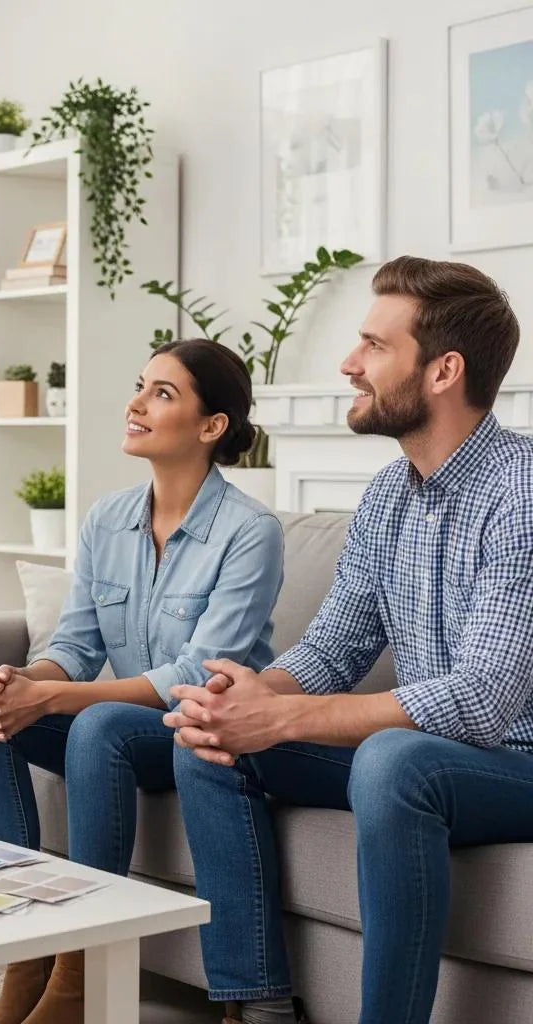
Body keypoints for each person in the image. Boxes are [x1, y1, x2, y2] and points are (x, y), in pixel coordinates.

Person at [165, 256, 533, 1024]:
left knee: (396, 758)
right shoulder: (389, 495)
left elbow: (484, 700)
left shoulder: (521, 490)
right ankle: (260, 1006)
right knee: (208, 738)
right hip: (443, 756)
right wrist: (250, 695)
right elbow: (334, 648)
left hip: (517, 762)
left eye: (373, 345)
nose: (348, 364)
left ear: (444, 371)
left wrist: (288, 718)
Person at [0, 340, 285, 1024]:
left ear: (211, 426)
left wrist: (54, 697)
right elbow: (75, 645)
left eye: (163, 393)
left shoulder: (250, 532)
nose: (135, 404)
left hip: (204, 735)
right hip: (129, 733)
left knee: (97, 725)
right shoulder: (107, 518)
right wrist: (20, 683)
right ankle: (26, 954)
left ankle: (79, 976)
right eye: (140, 386)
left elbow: (195, 675)